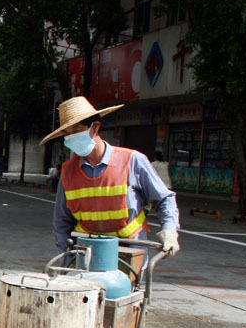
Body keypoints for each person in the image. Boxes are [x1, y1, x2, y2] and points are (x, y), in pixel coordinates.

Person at [40, 96, 180, 256]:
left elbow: (164, 199)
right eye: (66, 132)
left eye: (77, 129)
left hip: (130, 250)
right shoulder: (68, 171)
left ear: (95, 127)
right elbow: (62, 222)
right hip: (86, 252)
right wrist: (66, 255)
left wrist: (169, 231)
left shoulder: (132, 160)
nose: (71, 136)